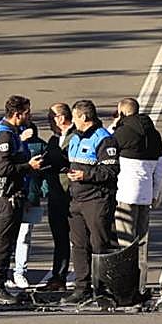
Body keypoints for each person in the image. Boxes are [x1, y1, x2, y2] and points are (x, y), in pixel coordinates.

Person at [0, 95, 43, 305]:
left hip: (13, 195)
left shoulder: (13, 133)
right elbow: (4, 169)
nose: (30, 116)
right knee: (2, 242)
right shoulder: (5, 136)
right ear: (17, 114)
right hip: (5, 197)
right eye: (27, 112)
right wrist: (30, 166)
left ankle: (0, 283)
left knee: (7, 243)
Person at [64, 99, 120, 305]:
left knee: (99, 243)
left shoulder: (104, 139)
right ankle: (82, 287)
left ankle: (103, 289)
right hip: (76, 199)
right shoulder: (75, 138)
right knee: (79, 244)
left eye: (75, 116)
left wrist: (85, 175)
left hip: (97, 199)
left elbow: (111, 171)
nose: (73, 121)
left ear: (84, 117)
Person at [111, 97, 162, 294]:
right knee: (142, 242)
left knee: (126, 242)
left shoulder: (122, 132)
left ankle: (126, 286)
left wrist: (114, 126)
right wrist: (155, 193)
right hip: (146, 194)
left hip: (125, 193)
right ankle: (141, 285)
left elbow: (107, 148)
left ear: (122, 112)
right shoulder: (154, 134)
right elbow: (160, 167)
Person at [39, 102, 74, 291]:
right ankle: (58, 277)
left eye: (50, 118)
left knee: (81, 240)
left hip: (74, 196)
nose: (48, 122)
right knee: (59, 239)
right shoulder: (53, 140)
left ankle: (87, 280)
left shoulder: (76, 136)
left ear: (60, 118)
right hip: (56, 196)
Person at [12, 122, 49, 289]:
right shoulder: (6, 139)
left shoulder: (40, 145)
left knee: (24, 235)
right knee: (3, 236)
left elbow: (46, 173)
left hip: (30, 198)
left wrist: (41, 192)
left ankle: (19, 272)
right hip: (8, 198)